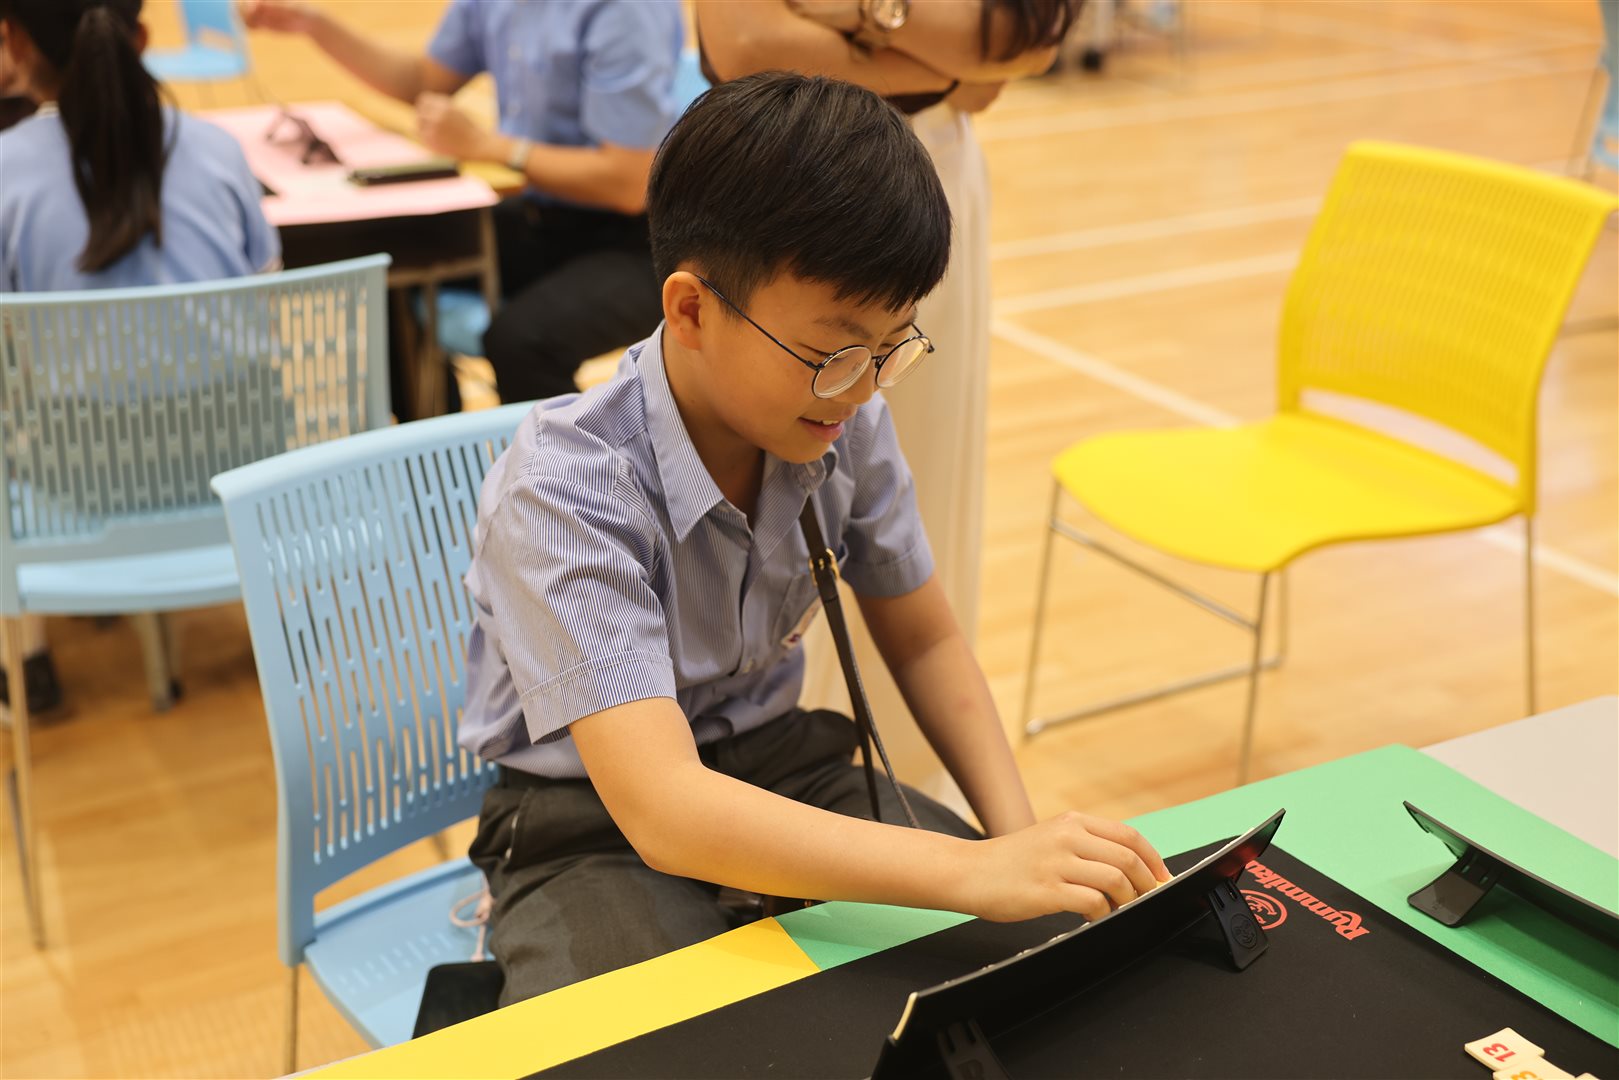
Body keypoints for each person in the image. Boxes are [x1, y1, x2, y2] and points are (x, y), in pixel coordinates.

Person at [458, 72, 1169, 1005]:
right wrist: (972, 872)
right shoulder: (566, 485)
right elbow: (665, 810)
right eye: (834, 352)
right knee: (666, 1043)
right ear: (691, 309)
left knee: (1029, 968)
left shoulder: (842, 415)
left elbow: (926, 640)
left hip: (782, 765)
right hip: (588, 822)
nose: (864, 387)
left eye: (892, 346)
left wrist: (1015, 841)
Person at [695, 0, 1080, 802]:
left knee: (915, 487)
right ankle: (780, 766)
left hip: (924, 176)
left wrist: (863, 14)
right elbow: (747, 41)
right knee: (757, 496)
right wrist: (943, 56)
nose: (864, 383)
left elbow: (1026, 39)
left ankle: (892, 780)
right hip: (784, 185)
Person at [0, 0, 279, 715]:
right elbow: (265, 293)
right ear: (141, 37)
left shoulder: (6, 168)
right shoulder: (218, 148)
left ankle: (24, 662)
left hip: (83, 479)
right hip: (236, 465)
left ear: (16, 44)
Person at [239, 0, 685, 406]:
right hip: (545, 216)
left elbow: (628, 184)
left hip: (647, 242)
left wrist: (490, 147)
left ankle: (565, 469)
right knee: (390, 262)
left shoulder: (626, 10)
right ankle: (430, 449)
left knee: (522, 341)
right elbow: (423, 81)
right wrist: (315, 25)